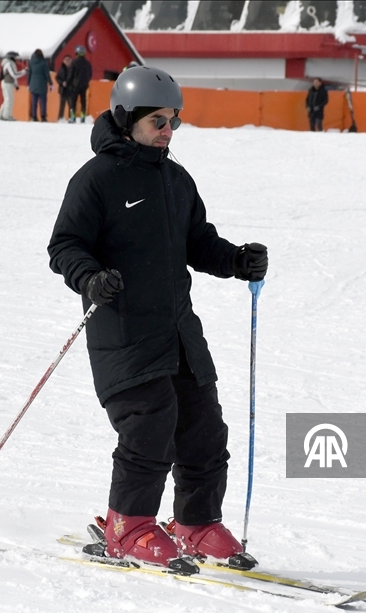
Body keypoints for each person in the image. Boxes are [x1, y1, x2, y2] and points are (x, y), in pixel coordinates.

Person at [47, 65, 269, 570]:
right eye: (158, 121)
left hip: (178, 332)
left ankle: (196, 522)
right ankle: (128, 526)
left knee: (204, 429)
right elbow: (65, 245)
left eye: (174, 121)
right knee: (150, 426)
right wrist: (90, 277)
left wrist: (235, 260)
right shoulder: (97, 179)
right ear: (127, 119)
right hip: (124, 331)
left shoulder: (176, 179)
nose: (168, 131)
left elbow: (198, 242)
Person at [0, 51, 26, 121]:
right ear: (11, 57)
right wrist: (24, 72)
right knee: (9, 100)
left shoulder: (9, 63)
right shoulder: (9, 63)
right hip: (7, 83)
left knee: (7, 100)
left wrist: (16, 84)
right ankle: (6, 116)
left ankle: (1, 115)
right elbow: (14, 74)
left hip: (7, 83)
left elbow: (13, 76)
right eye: (15, 57)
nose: (16, 59)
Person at [68, 45, 92, 122]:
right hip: (84, 85)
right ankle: (82, 117)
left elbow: (71, 74)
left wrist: (68, 82)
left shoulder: (74, 62)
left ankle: (73, 117)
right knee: (83, 101)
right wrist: (86, 81)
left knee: (73, 101)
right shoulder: (87, 63)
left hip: (75, 85)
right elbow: (90, 74)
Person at [27, 48, 52, 122]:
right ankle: (43, 116)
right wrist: (51, 83)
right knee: (43, 102)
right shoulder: (43, 62)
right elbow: (47, 74)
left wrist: (28, 84)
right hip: (42, 85)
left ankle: (34, 116)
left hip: (33, 84)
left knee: (34, 102)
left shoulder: (31, 62)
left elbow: (29, 74)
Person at [56, 55, 74, 122]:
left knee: (71, 106)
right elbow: (57, 78)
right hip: (63, 90)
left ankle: (71, 118)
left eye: (69, 59)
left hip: (70, 90)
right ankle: (60, 118)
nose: (67, 61)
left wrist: (70, 83)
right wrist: (62, 82)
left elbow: (75, 79)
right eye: (66, 59)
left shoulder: (73, 69)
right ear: (63, 61)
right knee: (62, 105)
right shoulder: (61, 69)